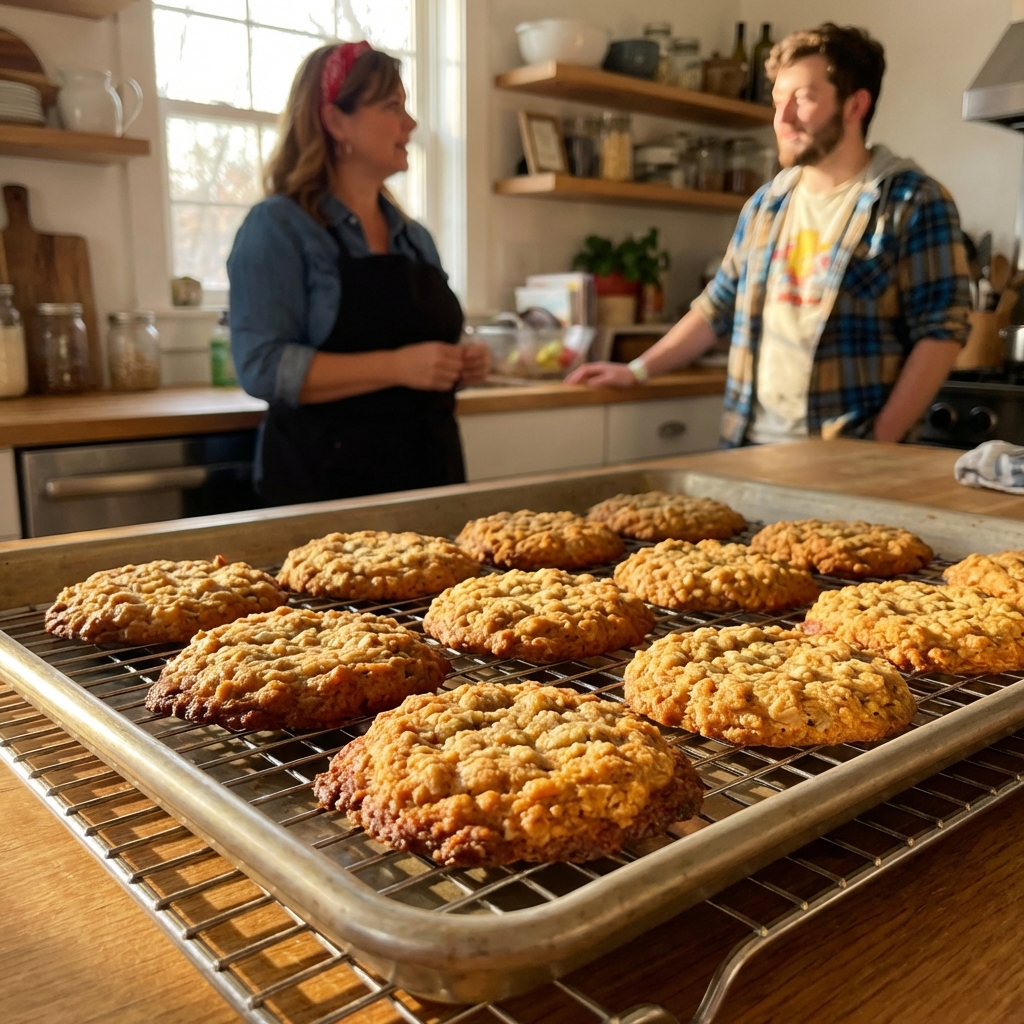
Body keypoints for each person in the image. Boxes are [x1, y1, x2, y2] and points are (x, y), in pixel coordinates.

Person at [568, 23, 971, 446]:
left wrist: (880, 442)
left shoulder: (912, 201)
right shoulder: (766, 204)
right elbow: (716, 307)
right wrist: (636, 370)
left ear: (855, 106)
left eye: (802, 99)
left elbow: (941, 333)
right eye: (779, 101)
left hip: (848, 455)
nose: (782, 118)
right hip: (749, 448)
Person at [227, 41, 489, 505]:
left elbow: (427, 354)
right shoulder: (279, 227)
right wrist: (400, 366)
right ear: (334, 120)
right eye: (392, 107)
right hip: (325, 489)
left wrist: (458, 363)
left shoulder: (414, 237)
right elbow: (263, 368)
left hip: (430, 477)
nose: (410, 124)